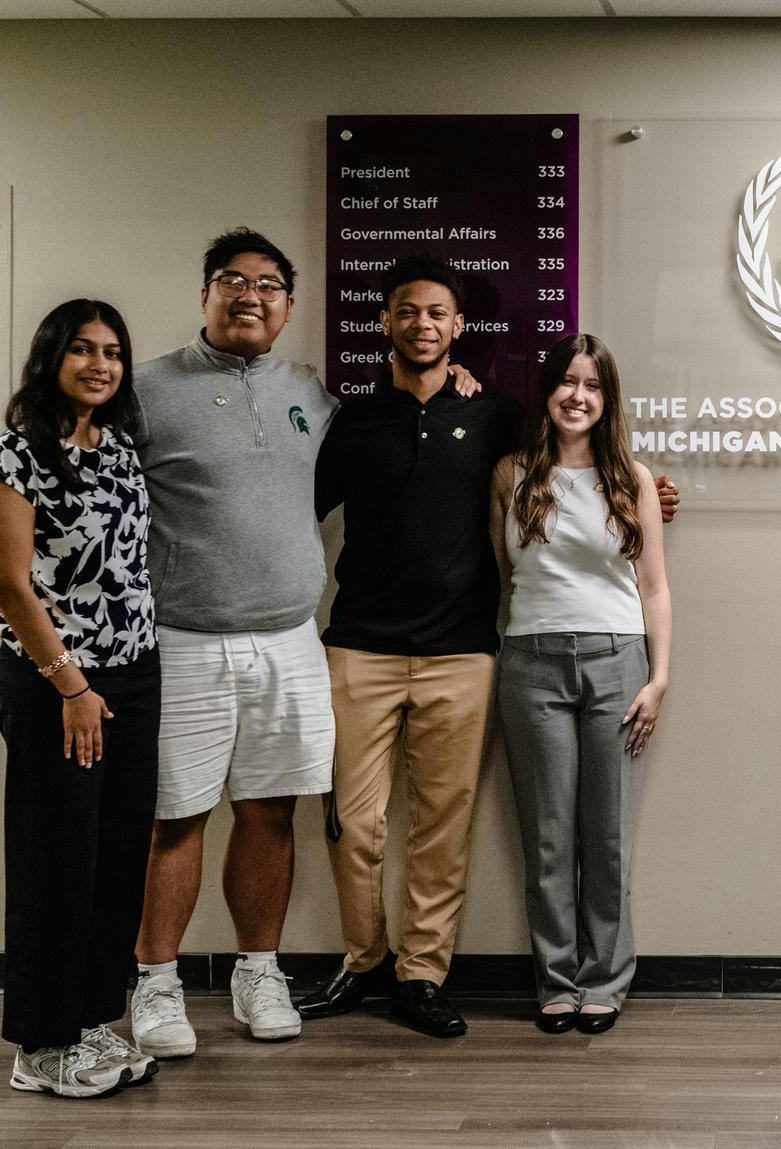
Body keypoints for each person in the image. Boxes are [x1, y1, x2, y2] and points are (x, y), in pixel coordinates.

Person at [298, 255, 684, 1037]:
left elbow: (597, 492)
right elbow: (293, 510)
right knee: (355, 820)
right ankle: (363, 958)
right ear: (384, 321)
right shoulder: (354, 421)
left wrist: (655, 490)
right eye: (407, 311)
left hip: (464, 651)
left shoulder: (499, 419)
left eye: (437, 312)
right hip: (366, 645)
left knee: (446, 823)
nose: (422, 324)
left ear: (458, 327)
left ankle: (424, 975)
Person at [125, 228, 474, 1057]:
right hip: (185, 640)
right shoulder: (144, 391)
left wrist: (456, 386)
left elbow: (409, 427)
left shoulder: (310, 392)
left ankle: (258, 972)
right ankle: (156, 986)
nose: (250, 296)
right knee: (176, 817)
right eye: (231, 282)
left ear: (288, 305)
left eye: (269, 285)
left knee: (271, 812)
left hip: (290, 640)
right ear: (205, 294)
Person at [0, 299, 160, 1097]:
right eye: (82, 349)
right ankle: (40, 1047)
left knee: (115, 862)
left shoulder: (119, 448)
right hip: (58, 684)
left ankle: (89, 1023)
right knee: (55, 864)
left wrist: (115, 679)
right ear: (51, 357)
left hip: (132, 678)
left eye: (113, 351)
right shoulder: (15, 456)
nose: (100, 364)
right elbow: (9, 583)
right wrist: (72, 684)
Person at [491, 334, 671, 1036]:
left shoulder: (630, 477)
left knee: (608, 835)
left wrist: (658, 678)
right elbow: (503, 577)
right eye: (566, 382)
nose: (578, 396)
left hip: (615, 660)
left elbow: (654, 587)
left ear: (608, 398)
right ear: (547, 391)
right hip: (530, 662)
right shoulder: (510, 473)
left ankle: (605, 978)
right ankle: (557, 980)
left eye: (592, 386)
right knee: (548, 837)